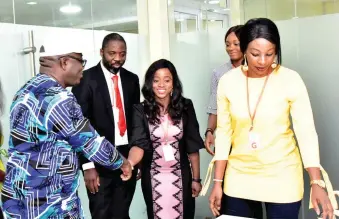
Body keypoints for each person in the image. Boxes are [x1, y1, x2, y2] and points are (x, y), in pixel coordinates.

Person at [202, 18, 336, 219]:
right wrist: (217, 183)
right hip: (239, 175)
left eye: (270, 54)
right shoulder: (228, 82)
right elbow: (224, 134)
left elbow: (306, 132)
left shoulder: (290, 79)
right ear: (244, 50)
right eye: (255, 54)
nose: (263, 61)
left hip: (282, 175)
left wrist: (316, 182)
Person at [1, 45, 132, 218]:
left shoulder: (24, 91)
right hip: (48, 201)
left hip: (18, 197)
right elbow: (90, 142)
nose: (82, 68)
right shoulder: (59, 98)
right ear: (64, 62)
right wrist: (122, 163)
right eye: (81, 62)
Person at [71, 33, 140, 219]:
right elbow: (79, 126)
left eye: (122, 54)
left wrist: (135, 160)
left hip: (125, 160)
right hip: (98, 162)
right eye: (112, 53)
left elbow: (135, 122)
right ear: (101, 52)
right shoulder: (85, 79)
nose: (118, 58)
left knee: (122, 213)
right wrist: (87, 166)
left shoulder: (132, 79)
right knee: (102, 214)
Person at [127, 59, 204, 219]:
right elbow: (138, 144)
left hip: (182, 176)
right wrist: (130, 163)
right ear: (150, 83)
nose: (161, 84)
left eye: (166, 80)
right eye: (156, 80)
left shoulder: (186, 106)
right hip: (153, 176)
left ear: (173, 83)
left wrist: (196, 178)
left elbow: (192, 147)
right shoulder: (140, 110)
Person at [205, 25, 243, 156]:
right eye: (228, 44)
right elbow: (214, 108)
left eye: (236, 44)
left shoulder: (256, 71)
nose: (231, 48)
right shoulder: (219, 73)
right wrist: (209, 131)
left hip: (250, 137)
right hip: (226, 136)